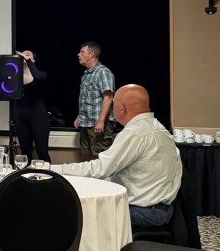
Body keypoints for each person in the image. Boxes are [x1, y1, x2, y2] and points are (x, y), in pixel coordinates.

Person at [56, 85, 180, 228]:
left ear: (121, 109)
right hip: (161, 208)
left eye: (113, 105)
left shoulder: (136, 132)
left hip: (144, 211)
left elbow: (100, 169)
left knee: (77, 211)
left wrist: (54, 170)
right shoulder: (158, 128)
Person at [0, 50, 51, 163]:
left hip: (39, 117)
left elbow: (38, 78)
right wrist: (6, 62)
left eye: (28, 55)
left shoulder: (41, 74)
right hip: (21, 118)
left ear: (33, 60)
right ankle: (26, 174)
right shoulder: (14, 76)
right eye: (22, 54)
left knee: (41, 151)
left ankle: (47, 173)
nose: (24, 56)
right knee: (25, 153)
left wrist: (28, 62)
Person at [75, 41, 116, 160]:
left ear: (91, 54)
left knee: (101, 158)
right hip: (86, 123)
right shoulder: (86, 75)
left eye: (82, 52)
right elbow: (88, 99)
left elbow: (108, 97)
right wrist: (80, 116)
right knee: (90, 158)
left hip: (98, 124)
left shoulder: (102, 72)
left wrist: (101, 121)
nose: (78, 54)